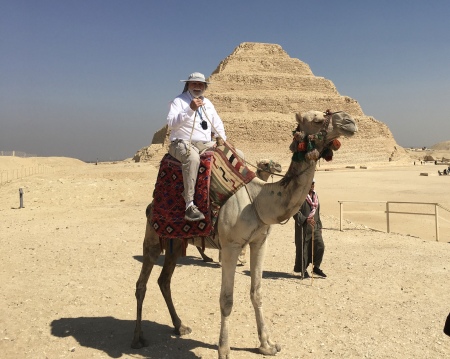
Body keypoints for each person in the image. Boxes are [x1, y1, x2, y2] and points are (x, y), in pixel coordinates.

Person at [167, 72, 227, 222]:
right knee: (192, 158)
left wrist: (222, 140)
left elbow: (217, 124)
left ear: (205, 87)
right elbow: (172, 123)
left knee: (233, 155)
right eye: (194, 83)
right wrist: (190, 109)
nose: (197, 87)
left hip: (205, 143)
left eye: (200, 84)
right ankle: (189, 205)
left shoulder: (208, 103)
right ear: (188, 85)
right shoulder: (179, 101)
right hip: (182, 142)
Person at [293, 179, 327, 279]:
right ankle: (303, 270)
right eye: (310, 183)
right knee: (303, 249)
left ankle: (316, 267)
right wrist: (305, 220)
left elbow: (317, 211)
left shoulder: (315, 196)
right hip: (303, 227)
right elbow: (294, 212)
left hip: (315, 226)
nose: (312, 185)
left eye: (313, 183)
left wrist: (319, 225)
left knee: (320, 245)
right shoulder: (299, 197)